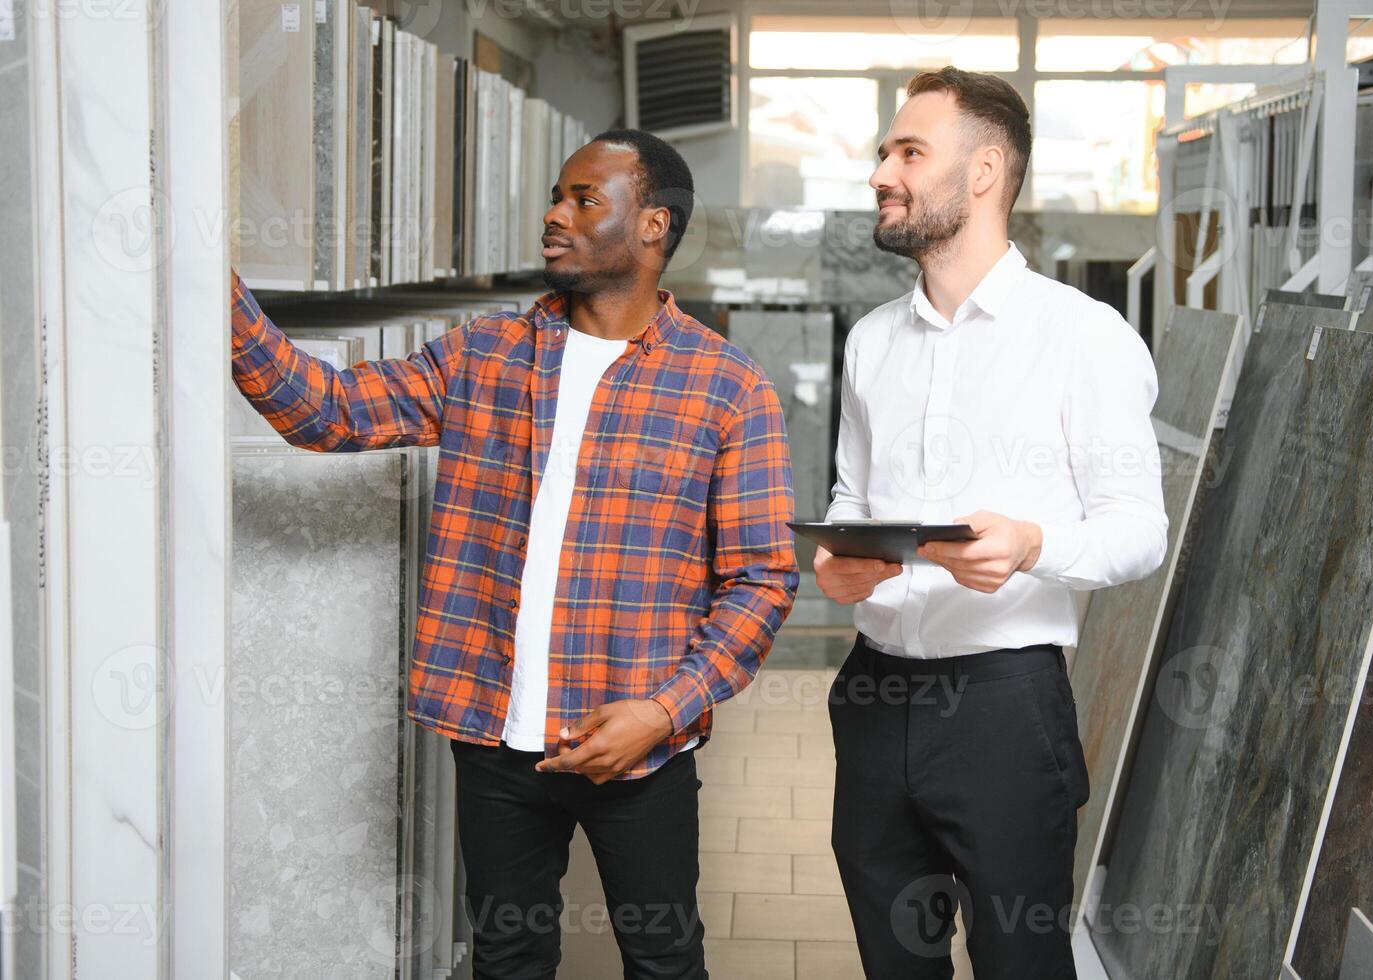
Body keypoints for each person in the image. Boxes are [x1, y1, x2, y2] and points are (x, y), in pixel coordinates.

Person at [230, 128, 799, 979]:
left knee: (664, 959)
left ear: (652, 226)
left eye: (583, 200)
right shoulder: (483, 355)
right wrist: (217, 297)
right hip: (492, 735)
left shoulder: (726, 388)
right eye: (555, 196)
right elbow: (330, 413)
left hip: (637, 744)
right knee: (507, 957)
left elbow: (760, 580)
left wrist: (664, 710)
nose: (553, 215)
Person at [815, 68, 1168, 978]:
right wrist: (841, 558)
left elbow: (1139, 532)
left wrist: (1033, 545)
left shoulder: (1082, 336)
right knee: (894, 962)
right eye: (885, 151)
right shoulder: (872, 341)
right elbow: (853, 500)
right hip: (871, 697)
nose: (880, 173)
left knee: (1020, 961)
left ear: (982, 173)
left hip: (1004, 709)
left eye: (907, 152)